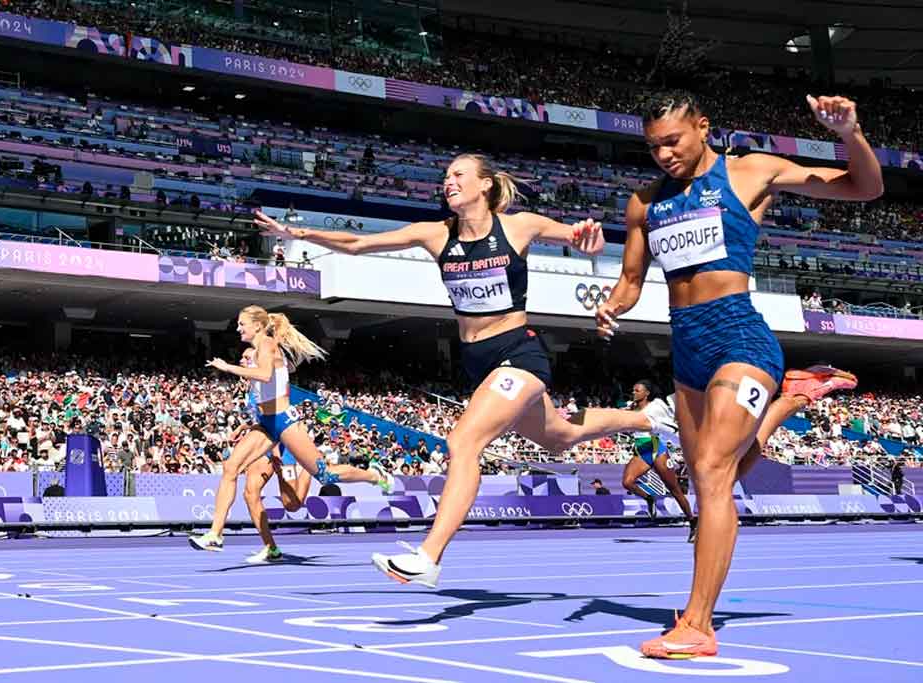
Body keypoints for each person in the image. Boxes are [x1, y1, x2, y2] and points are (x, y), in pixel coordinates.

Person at [255, 153, 677, 588]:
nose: (448, 181)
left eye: (458, 174)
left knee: (463, 441)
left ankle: (428, 556)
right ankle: (654, 418)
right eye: (446, 176)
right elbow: (359, 244)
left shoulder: (519, 226)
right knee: (561, 435)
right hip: (478, 361)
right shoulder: (436, 234)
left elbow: (582, 239)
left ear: (485, 184)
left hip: (519, 353)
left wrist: (588, 240)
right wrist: (298, 233)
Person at [597, 90, 881, 659]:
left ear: (702, 127)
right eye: (653, 147)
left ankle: (698, 625)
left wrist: (849, 133)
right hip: (687, 351)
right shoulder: (644, 203)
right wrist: (612, 306)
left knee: (710, 469)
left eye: (672, 141)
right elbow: (630, 281)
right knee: (710, 483)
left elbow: (864, 187)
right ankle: (789, 400)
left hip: (740, 338)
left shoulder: (750, 172)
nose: (663, 154)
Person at [190, 307, 394, 552]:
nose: (238, 328)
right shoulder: (263, 348)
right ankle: (215, 534)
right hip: (266, 424)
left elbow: (265, 375)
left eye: (242, 323)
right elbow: (279, 371)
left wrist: (228, 367)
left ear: (257, 326)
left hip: (284, 421)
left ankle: (375, 476)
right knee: (230, 467)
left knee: (326, 476)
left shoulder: (266, 344)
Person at [621, 380, 696, 541]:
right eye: (633, 390)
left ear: (646, 393)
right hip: (641, 450)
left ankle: (692, 522)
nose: (634, 392)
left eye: (637, 390)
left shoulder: (655, 407)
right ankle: (649, 498)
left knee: (675, 490)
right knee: (627, 482)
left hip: (656, 449)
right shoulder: (631, 408)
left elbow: (670, 424)